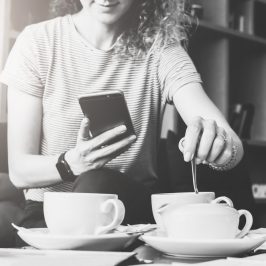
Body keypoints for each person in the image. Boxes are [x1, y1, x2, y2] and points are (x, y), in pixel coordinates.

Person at [0, 0, 243, 246]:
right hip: (51, 216)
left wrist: (221, 147)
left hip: (127, 214)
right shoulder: (37, 42)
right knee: (92, 182)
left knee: (96, 183)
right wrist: (73, 163)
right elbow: (20, 171)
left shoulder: (160, 48)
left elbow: (231, 142)